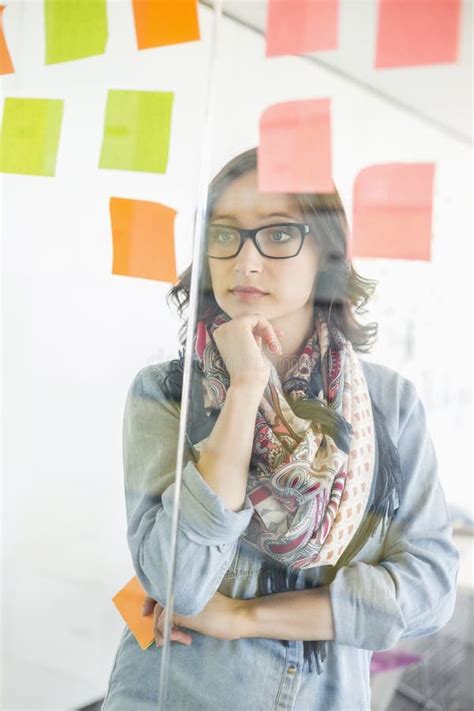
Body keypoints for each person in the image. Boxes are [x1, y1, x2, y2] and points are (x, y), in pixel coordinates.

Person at [101, 147, 460, 711]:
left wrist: (243, 617)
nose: (245, 261)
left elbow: (429, 591)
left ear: (326, 251)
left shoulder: (388, 404)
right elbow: (179, 584)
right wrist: (245, 389)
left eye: (277, 234)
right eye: (225, 236)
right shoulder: (167, 392)